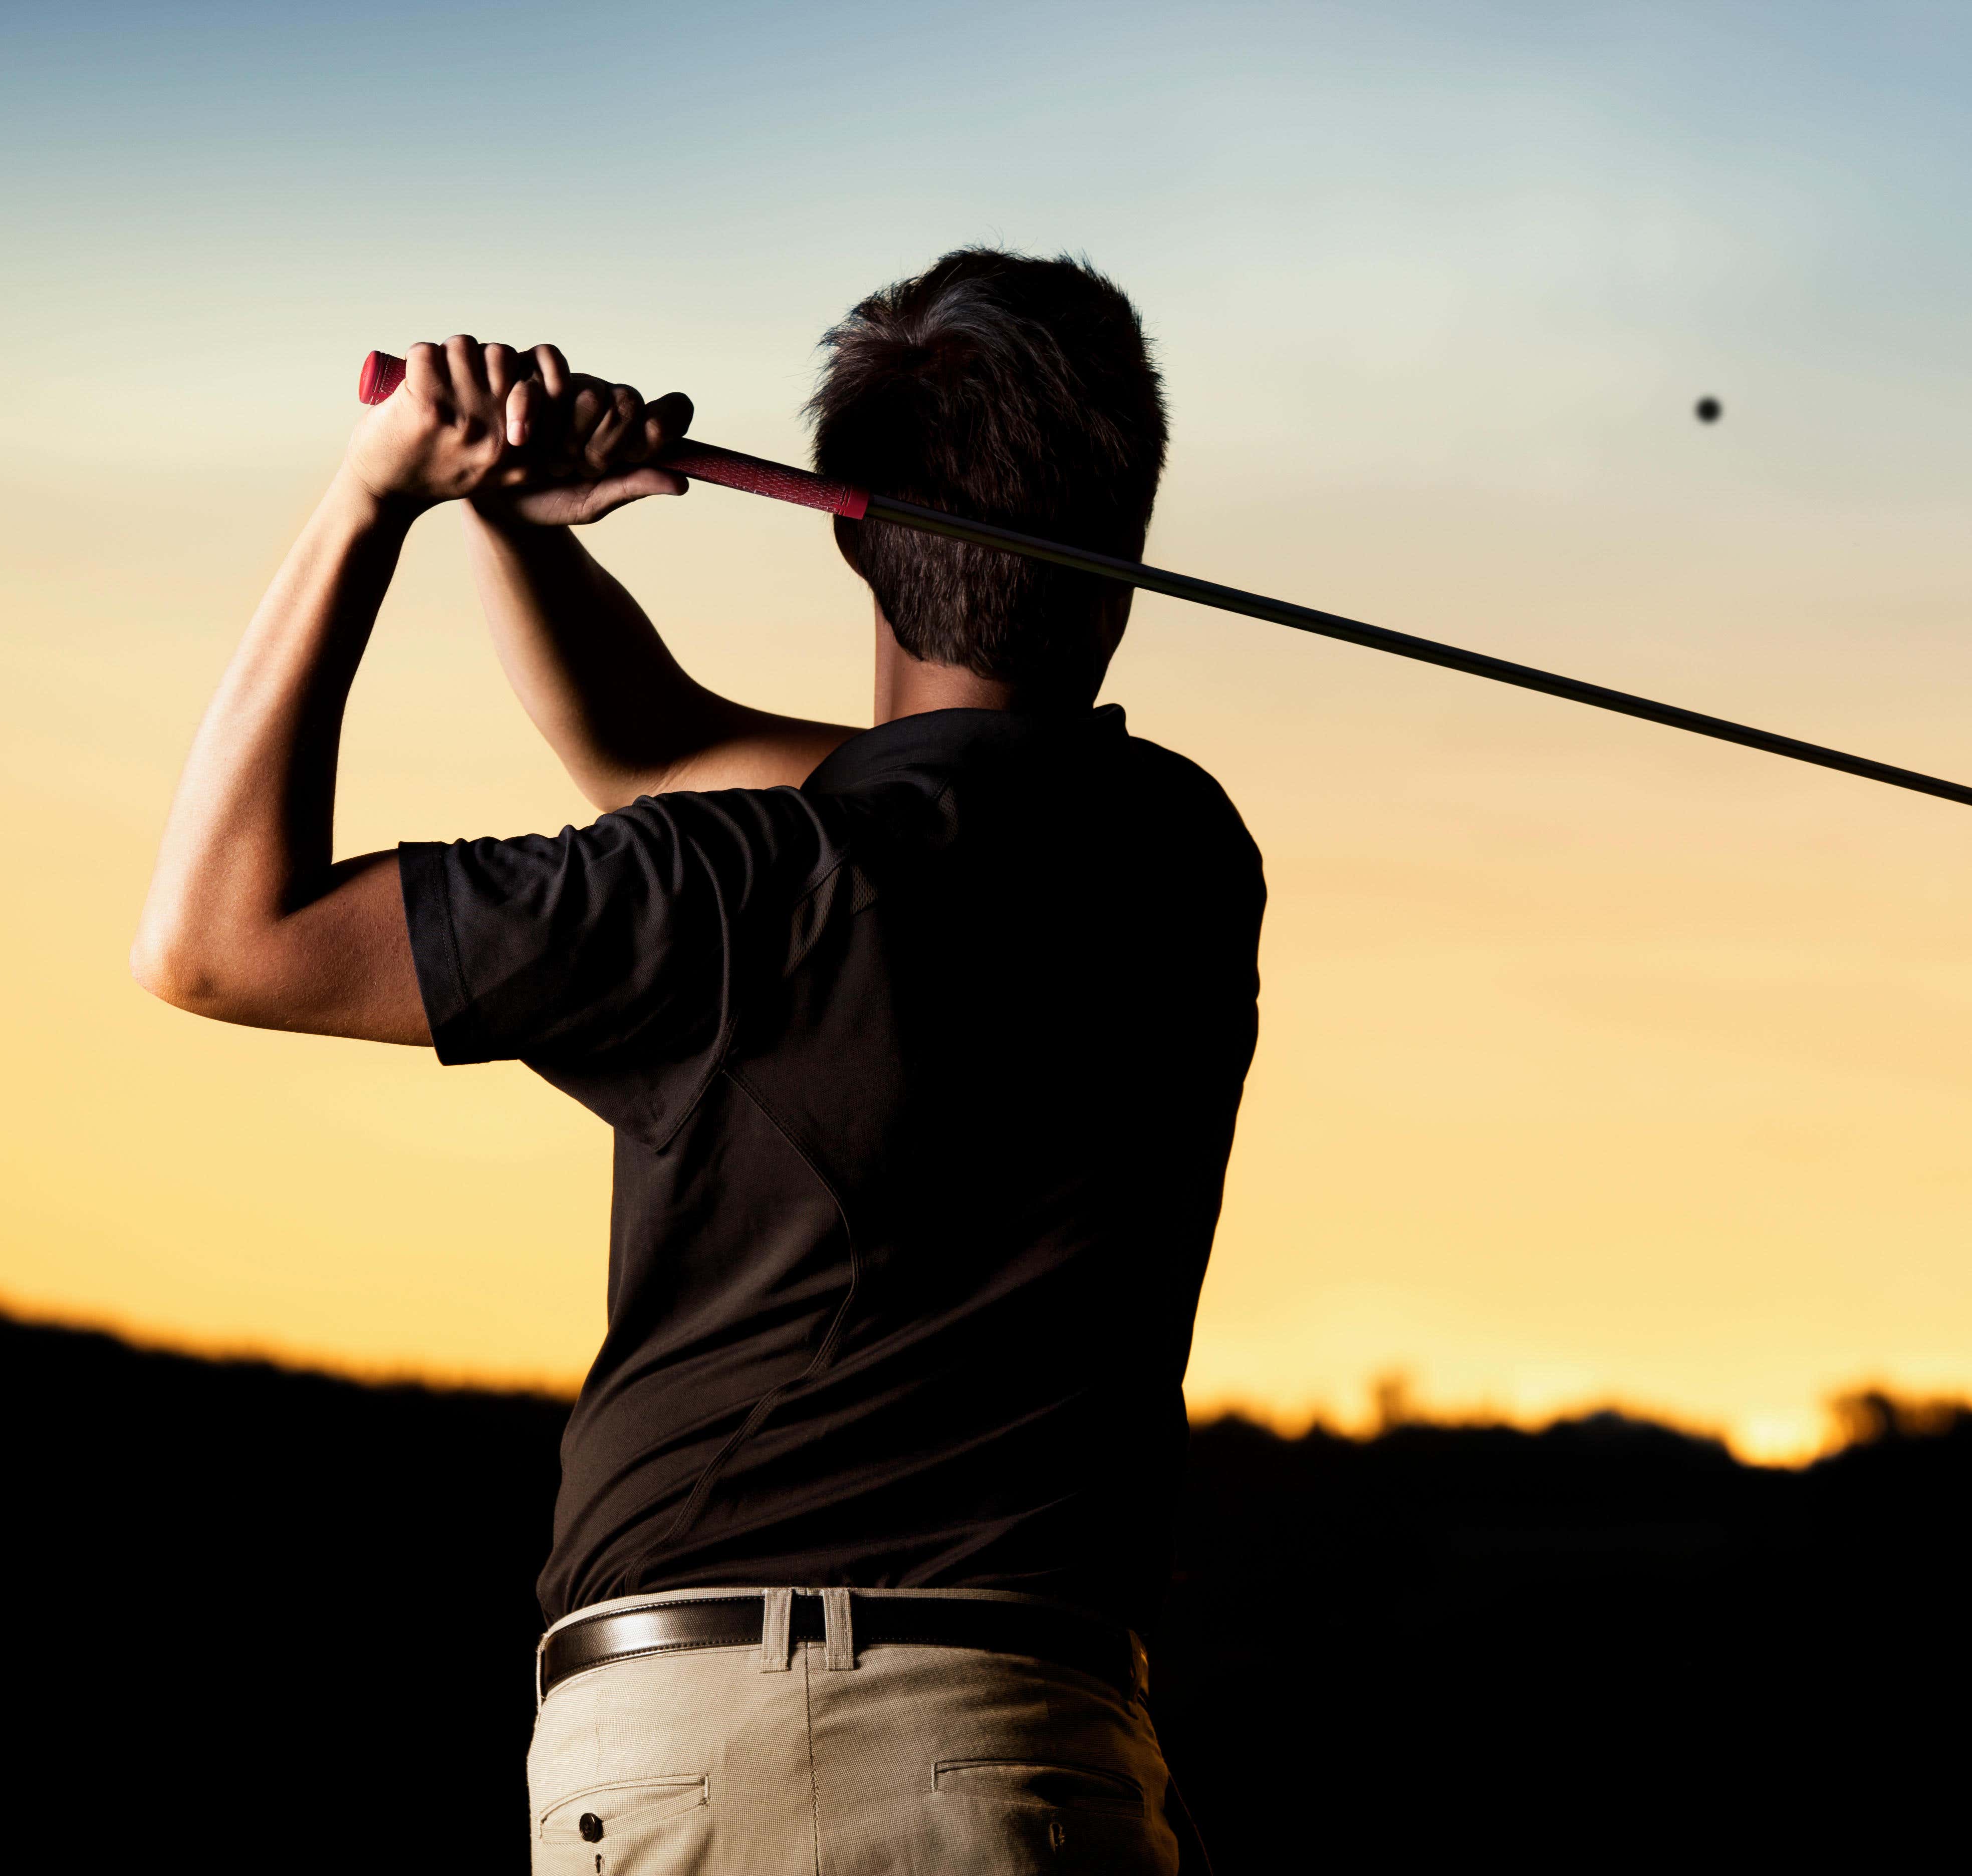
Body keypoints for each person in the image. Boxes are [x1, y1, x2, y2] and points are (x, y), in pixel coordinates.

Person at [133, 250, 1261, 1873]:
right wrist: (509, 522)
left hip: (752, 1755)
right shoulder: (1179, 853)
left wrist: (378, 498)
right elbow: (645, 746)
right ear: (1124, 563)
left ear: (844, 526)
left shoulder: (743, 888)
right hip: (1054, 1761)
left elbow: (216, 940)